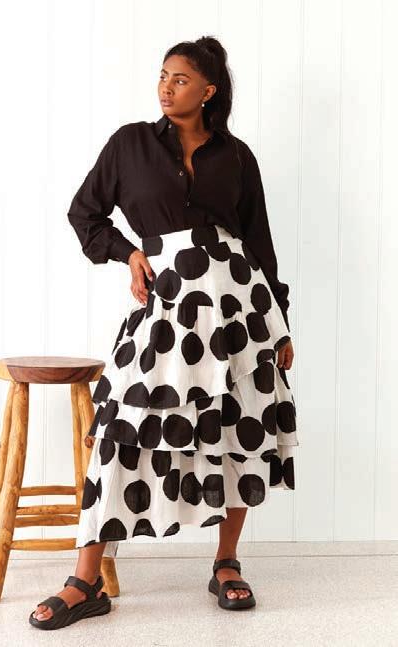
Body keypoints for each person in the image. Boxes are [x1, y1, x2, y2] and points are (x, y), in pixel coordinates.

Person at [29, 35, 298, 630]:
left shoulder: (238, 157)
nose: (166, 87)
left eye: (180, 79)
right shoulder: (130, 144)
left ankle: (226, 563)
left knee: (238, 429)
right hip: (165, 306)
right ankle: (85, 580)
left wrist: (280, 325)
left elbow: (259, 243)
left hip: (240, 311)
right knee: (120, 430)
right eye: (163, 76)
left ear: (209, 91)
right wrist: (127, 252)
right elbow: (84, 212)